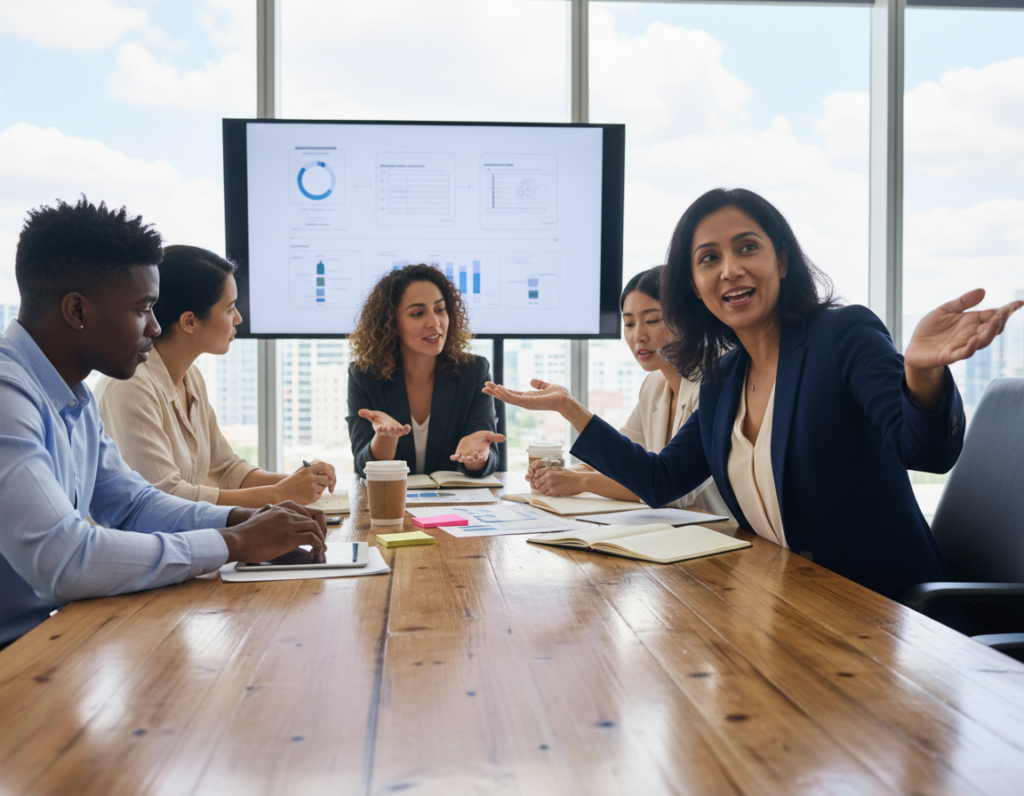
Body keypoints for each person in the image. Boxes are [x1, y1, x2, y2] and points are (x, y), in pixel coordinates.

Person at [484, 187, 1022, 609]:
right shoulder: (721, 380)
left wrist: (920, 375)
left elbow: (926, 452)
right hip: (789, 603)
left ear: (781, 261)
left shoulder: (842, 336)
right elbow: (660, 480)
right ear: (695, 286)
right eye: (708, 258)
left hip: (888, 613)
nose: (730, 269)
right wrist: (569, 410)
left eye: (747, 248)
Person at [0, 199, 326, 647]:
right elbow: (65, 559)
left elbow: (134, 506)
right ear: (77, 311)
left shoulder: (71, 396)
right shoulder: (7, 397)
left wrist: (244, 519)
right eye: (142, 309)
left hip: (45, 642)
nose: (155, 327)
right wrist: (233, 542)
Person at [95, 245, 336, 507]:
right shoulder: (131, 387)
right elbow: (165, 499)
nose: (239, 318)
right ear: (189, 321)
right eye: (230, 308)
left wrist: (301, 481)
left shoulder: (191, 377)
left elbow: (226, 470)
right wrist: (281, 494)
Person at [527, 266, 732, 518]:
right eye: (629, 323)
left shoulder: (717, 380)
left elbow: (671, 492)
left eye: (653, 320)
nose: (638, 336)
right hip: (675, 530)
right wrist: (565, 472)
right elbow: (623, 460)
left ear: (688, 317)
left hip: (721, 533)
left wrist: (580, 482)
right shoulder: (654, 385)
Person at [347, 264, 504, 478]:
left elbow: (488, 459)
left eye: (440, 309)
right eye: (418, 313)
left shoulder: (474, 371)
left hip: (455, 505)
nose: (434, 322)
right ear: (391, 323)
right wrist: (384, 438)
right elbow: (363, 466)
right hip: (392, 504)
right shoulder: (364, 375)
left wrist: (478, 456)